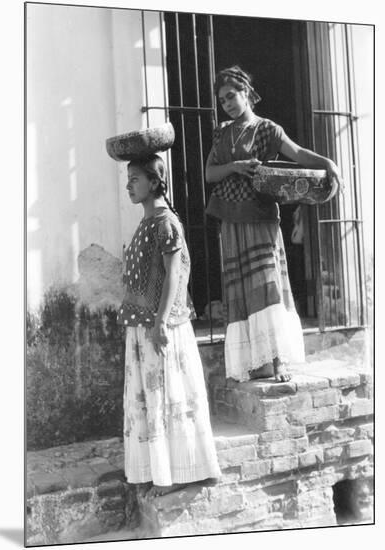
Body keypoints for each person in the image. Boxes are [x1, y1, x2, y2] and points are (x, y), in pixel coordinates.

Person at [205, 65, 342, 383]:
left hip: (260, 214)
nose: (226, 103)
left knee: (267, 284)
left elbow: (298, 154)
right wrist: (236, 166)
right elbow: (210, 174)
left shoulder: (267, 129)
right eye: (222, 99)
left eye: (231, 96)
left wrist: (328, 163)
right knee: (240, 287)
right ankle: (255, 362)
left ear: (246, 94)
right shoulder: (221, 132)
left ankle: (278, 360)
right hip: (230, 217)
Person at [117, 153, 221, 497]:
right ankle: (156, 469)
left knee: (168, 396)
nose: (129, 185)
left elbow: (174, 275)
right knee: (149, 399)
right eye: (129, 179)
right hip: (143, 326)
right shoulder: (148, 223)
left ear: (154, 181)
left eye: (135, 178)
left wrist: (161, 321)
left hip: (162, 328)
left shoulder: (165, 222)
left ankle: (182, 471)